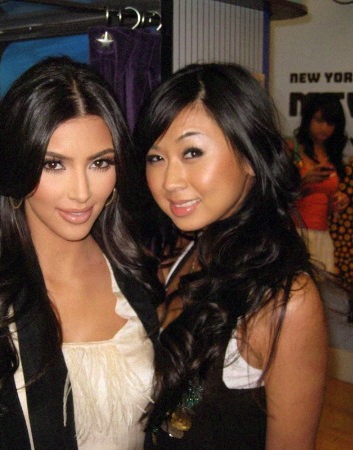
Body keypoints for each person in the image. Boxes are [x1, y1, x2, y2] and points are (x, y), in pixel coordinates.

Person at [0, 56, 162, 450]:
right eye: (54, 164)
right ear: (17, 164)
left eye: (100, 162)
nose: (81, 192)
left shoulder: (135, 269)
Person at [133, 63, 328, 449]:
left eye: (192, 152)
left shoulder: (285, 301)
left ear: (249, 157)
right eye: (156, 157)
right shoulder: (182, 258)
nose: (169, 181)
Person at [291, 93, 349, 273]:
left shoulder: (332, 154)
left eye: (331, 123)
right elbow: (276, 194)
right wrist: (303, 181)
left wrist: (338, 201)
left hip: (323, 235)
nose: (325, 128)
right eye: (319, 120)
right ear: (308, 119)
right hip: (295, 232)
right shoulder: (292, 149)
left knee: (323, 286)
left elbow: (327, 202)